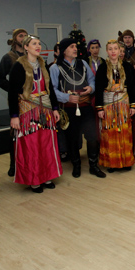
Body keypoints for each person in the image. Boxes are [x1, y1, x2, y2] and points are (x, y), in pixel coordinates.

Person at [8, 35, 62, 193]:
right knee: (32, 146)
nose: (38, 46)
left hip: (45, 110)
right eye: (34, 44)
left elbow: (50, 88)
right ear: (26, 47)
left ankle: (48, 176)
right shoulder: (18, 66)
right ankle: (34, 180)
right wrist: (14, 116)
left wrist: (55, 108)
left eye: (39, 43)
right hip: (27, 111)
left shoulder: (43, 65)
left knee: (46, 144)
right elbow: (12, 93)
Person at [50, 38, 105, 178]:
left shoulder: (83, 63)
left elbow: (92, 80)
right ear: (64, 50)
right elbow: (52, 90)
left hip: (85, 106)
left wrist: (91, 87)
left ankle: (93, 165)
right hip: (68, 109)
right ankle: (76, 166)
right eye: (72, 46)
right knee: (72, 138)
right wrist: (66, 97)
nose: (75, 49)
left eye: (75, 46)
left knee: (92, 137)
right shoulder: (55, 68)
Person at [95, 39, 135, 171]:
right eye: (110, 49)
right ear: (107, 51)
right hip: (108, 105)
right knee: (110, 133)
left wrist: (133, 105)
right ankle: (111, 162)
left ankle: (126, 162)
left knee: (125, 132)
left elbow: (132, 87)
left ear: (120, 51)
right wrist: (99, 108)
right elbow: (98, 89)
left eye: (115, 49)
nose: (113, 51)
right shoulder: (102, 68)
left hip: (123, 104)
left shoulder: (127, 67)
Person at [0, 28, 28, 177]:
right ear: (15, 39)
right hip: (17, 101)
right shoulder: (8, 57)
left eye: (26, 35)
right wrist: (14, 90)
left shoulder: (30, 55)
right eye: (21, 36)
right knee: (15, 133)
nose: (24, 37)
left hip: (32, 100)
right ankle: (14, 164)